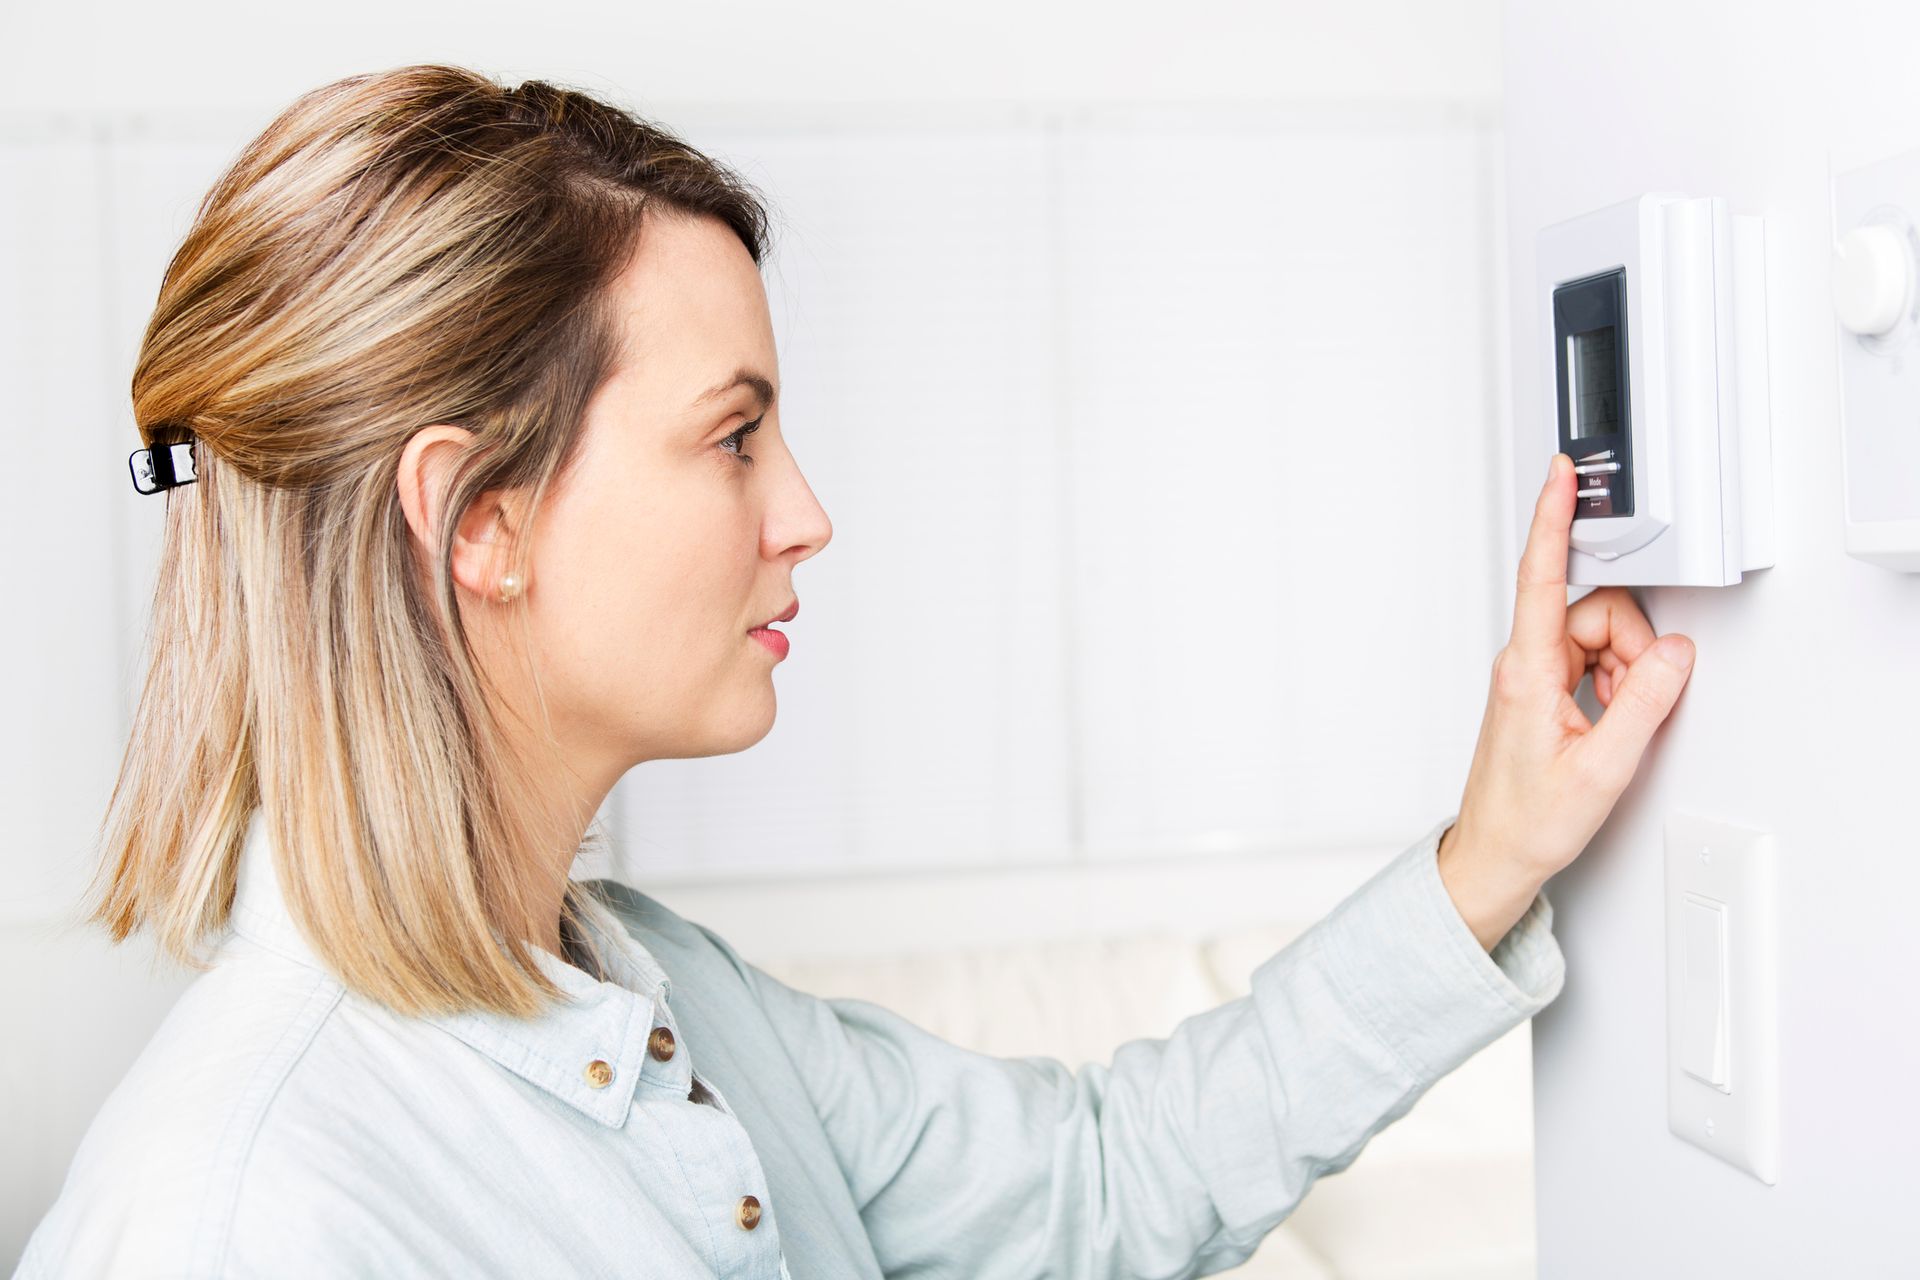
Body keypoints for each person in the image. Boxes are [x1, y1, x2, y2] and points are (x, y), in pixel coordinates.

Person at [14, 64, 1696, 1280]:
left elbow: (1102, 1184)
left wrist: (1494, 854)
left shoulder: (659, 1000)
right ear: (477, 519)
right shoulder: (239, 1216)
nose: (806, 515)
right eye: (733, 437)